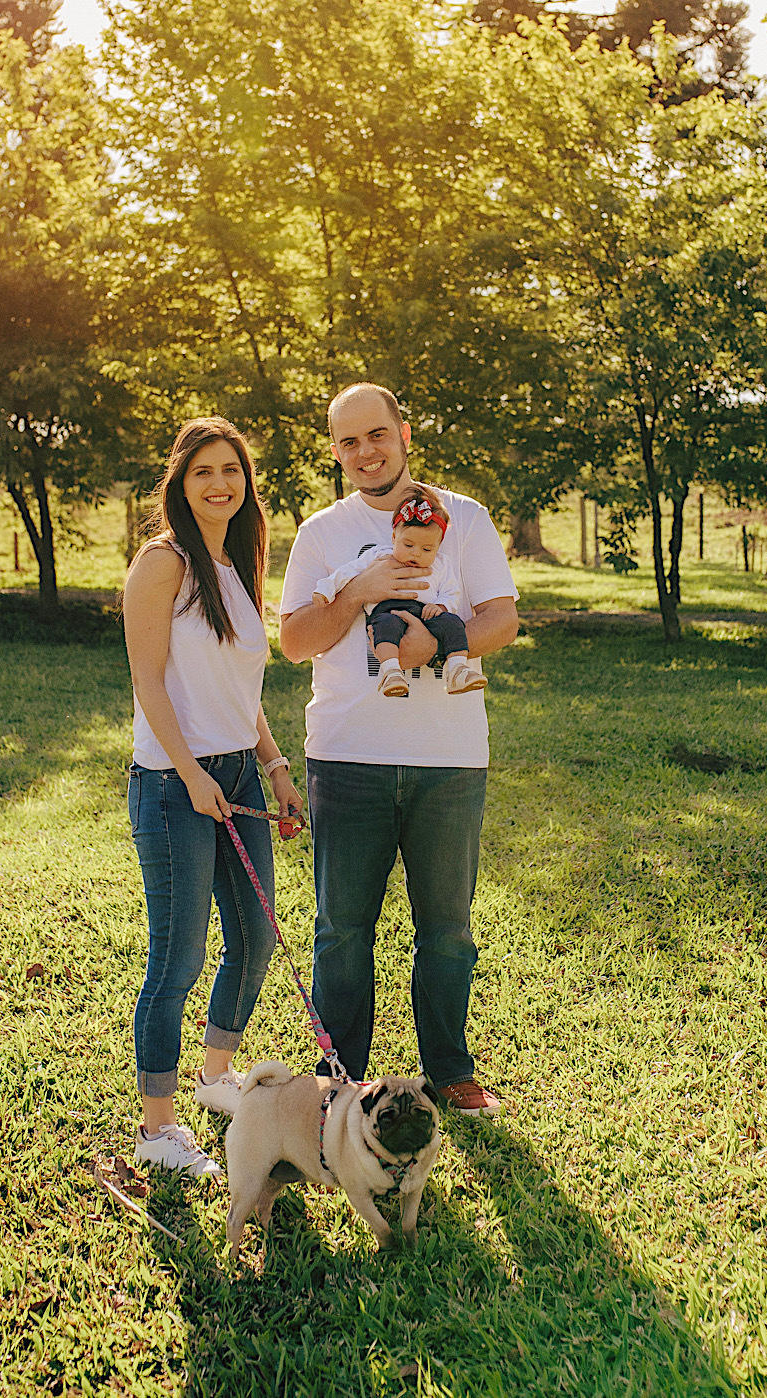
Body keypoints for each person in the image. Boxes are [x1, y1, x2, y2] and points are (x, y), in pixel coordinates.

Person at [279, 384, 518, 1115]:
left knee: (446, 928)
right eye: (348, 442)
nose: (365, 452)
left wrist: (424, 650)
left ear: (405, 433)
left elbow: (502, 619)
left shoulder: (464, 518)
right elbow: (292, 642)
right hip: (347, 756)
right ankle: (339, 1080)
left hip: (449, 759)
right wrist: (359, 592)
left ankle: (449, 1069)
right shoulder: (323, 531)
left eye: (377, 435)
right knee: (341, 929)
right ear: (334, 450)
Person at [123, 417, 302, 1177]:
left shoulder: (237, 560)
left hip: (233, 773)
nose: (219, 483)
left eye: (231, 469)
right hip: (173, 783)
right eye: (203, 472)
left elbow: (238, 684)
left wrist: (273, 764)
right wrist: (191, 774)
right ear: (180, 482)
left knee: (257, 939)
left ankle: (214, 1076)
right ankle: (158, 1128)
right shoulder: (163, 562)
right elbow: (149, 680)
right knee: (179, 955)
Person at [312, 484, 487, 698]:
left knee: (453, 623)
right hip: (388, 610)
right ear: (394, 537)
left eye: (426, 549)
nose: (416, 554)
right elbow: (348, 572)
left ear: (438, 545)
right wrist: (326, 589)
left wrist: (440, 606)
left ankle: (458, 670)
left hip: (426, 613)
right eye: (408, 545)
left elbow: (451, 592)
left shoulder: (441, 564)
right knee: (385, 628)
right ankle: (391, 672)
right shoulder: (379, 556)